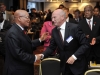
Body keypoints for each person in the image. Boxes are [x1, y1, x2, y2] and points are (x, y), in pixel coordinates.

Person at [40, 9, 89, 75]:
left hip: (78, 65)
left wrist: (74, 57)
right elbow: (52, 47)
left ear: (62, 17)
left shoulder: (74, 28)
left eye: (54, 17)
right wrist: (42, 55)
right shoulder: (54, 31)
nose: (52, 20)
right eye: (52, 18)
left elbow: (85, 44)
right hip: (64, 66)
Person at [3, 10, 48, 75]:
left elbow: (27, 44)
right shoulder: (13, 33)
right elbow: (18, 54)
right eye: (27, 17)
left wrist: (40, 39)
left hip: (23, 68)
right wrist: (35, 58)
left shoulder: (20, 30)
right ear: (19, 18)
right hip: (17, 71)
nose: (29, 20)